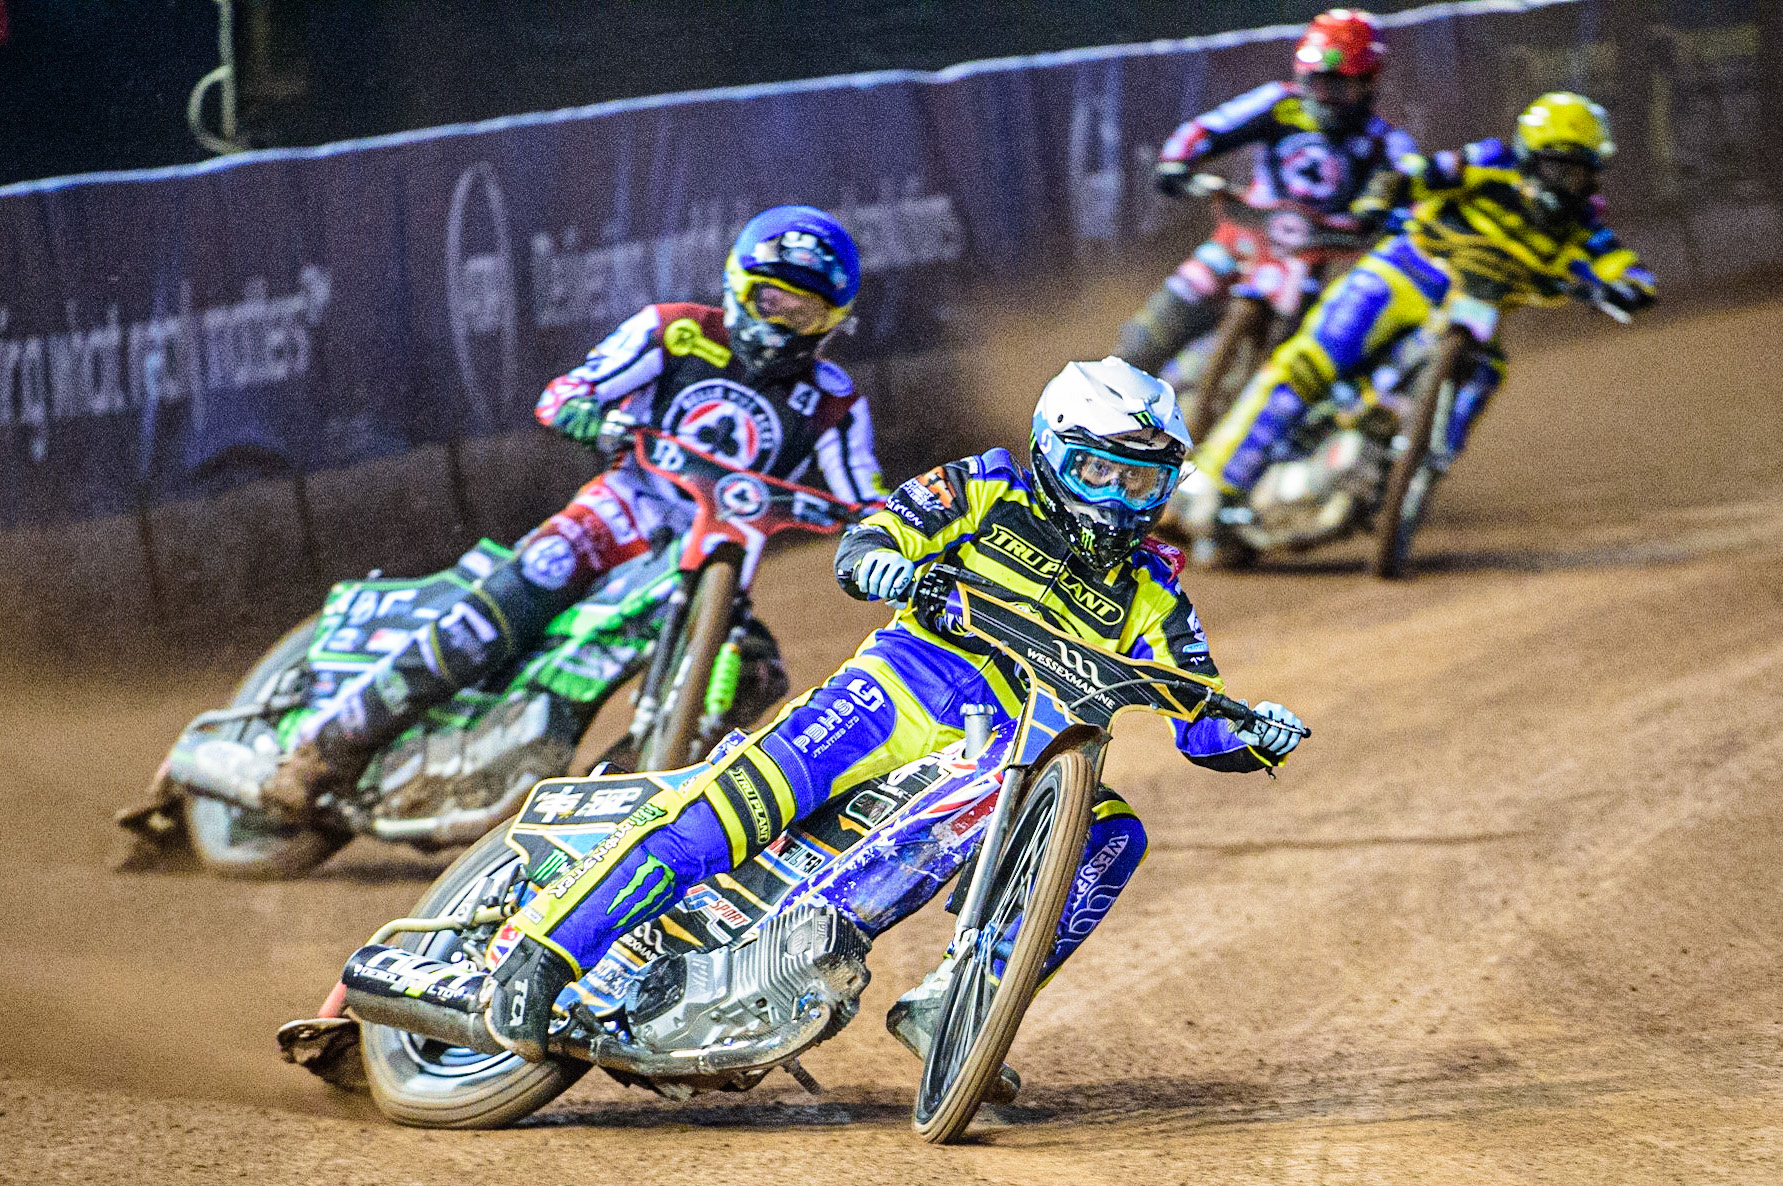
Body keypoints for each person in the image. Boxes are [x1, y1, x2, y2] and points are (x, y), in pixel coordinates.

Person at [483, 358, 1307, 1101]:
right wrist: (881, 560)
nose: (1120, 499)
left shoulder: (1155, 590)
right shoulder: (987, 486)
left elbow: (1199, 713)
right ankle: (545, 951)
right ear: (1053, 451)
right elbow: (877, 532)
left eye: (1141, 482)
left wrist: (1251, 734)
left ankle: (959, 1002)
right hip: (893, 693)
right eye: (1100, 472)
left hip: (1014, 753)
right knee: (729, 812)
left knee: (1114, 833)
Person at [264, 205, 888, 816]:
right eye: (771, 300)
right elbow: (569, 390)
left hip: (718, 557)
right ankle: (325, 750)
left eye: (804, 312)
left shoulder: (835, 403)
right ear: (737, 285)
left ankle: (623, 797)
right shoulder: (676, 331)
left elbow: (867, 496)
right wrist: (588, 414)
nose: (782, 323)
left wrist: (887, 530)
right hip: (621, 512)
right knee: (520, 590)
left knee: (757, 674)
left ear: (831, 323)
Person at [1187, 92, 1656, 536]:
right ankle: (1214, 480)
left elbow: (1619, 264)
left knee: (1486, 372)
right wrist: (1384, 193)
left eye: (1578, 171)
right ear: (1530, 156)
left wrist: (1629, 287)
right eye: (1557, 166)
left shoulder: (1584, 223)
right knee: (1309, 363)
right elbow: (1419, 171)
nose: (1566, 181)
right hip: (1407, 272)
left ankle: (1418, 470)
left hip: (1475, 311)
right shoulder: (1492, 161)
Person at [1115, 8, 1415, 376]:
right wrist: (1177, 162)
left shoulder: (1387, 142)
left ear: (1368, 81)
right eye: (1314, 82)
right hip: (1241, 240)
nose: (1322, 95)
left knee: (1309, 368)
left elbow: (1414, 194)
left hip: (1315, 265)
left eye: (1336, 85)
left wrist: (1385, 216)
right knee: (1149, 334)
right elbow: (1209, 128)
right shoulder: (1279, 102)